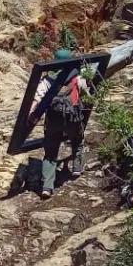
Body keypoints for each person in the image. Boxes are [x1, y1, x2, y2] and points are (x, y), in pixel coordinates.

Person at [31, 48, 92, 199]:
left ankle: (47, 187)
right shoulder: (78, 78)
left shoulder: (47, 81)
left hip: (53, 120)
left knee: (50, 153)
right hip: (73, 119)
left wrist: (31, 117)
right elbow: (87, 96)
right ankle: (76, 168)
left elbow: (36, 99)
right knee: (77, 140)